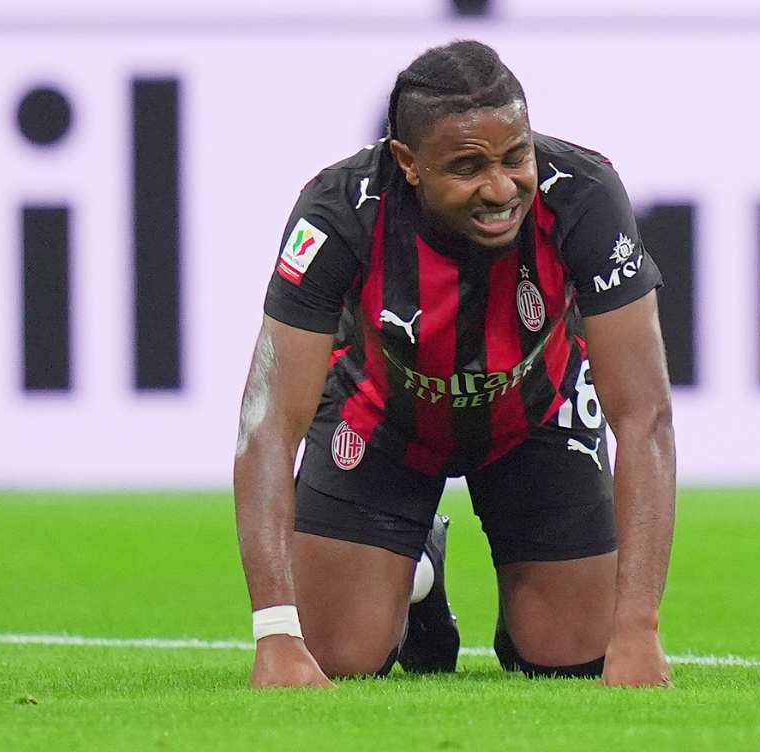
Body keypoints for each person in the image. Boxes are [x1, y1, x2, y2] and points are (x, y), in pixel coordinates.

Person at [233, 40, 676, 688]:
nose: (500, 187)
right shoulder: (339, 210)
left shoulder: (584, 194)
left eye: (515, 156)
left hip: (536, 416)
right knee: (335, 656)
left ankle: (529, 608)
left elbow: (645, 415)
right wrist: (275, 634)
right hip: (382, 421)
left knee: (578, 654)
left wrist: (638, 629)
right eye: (468, 166)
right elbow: (267, 424)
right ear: (407, 162)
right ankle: (420, 573)